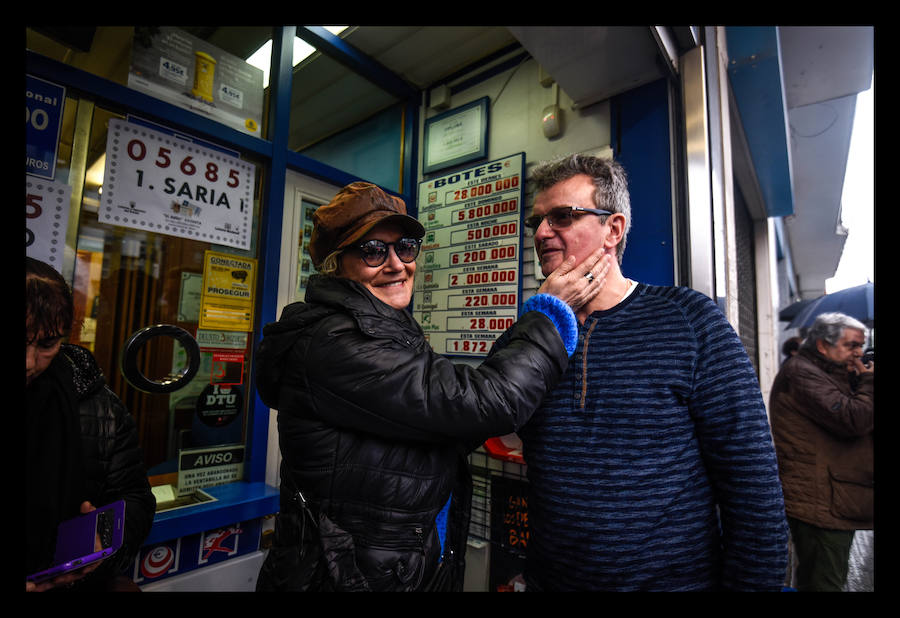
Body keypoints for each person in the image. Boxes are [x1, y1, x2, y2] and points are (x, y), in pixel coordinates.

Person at [254, 181, 610, 591]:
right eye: (372, 251)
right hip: (347, 577)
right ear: (336, 265)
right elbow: (483, 403)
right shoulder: (334, 342)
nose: (396, 264)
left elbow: (451, 410)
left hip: (389, 569)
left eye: (404, 247)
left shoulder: (382, 327)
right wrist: (550, 313)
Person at [514, 153, 789, 591]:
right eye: (538, 222)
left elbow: (752, 484)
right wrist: (540, 324)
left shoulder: (689, 319)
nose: (543, 232)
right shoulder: (530, 334)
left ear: (613, 229)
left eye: (563, 216)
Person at [26, 257, 156, 591]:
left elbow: (135, 496)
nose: (29, 361)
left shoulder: (97, 406)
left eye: (46, 344)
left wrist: (103, 539)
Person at [769, 312, 874, 591]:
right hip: (818, 498)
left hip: (834, 494)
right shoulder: (802, 373)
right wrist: (869, 384)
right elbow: (853, 419)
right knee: (825, 580)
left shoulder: (826, 372)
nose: (858, 353)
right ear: (822, 346)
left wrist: (855, 380)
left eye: (861, 346)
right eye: (851, 345)